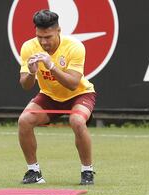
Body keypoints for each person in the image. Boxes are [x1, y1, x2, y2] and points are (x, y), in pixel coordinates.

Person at [17, 9, 96, 185]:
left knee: (76, 121)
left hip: (79, 94)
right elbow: (26, 85)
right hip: (49, 95)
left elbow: (73, 83)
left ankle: (87, 171)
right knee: (24, 121)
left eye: (48, 37)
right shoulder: (28, 47)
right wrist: (31, 73)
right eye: (40, 37)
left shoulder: (75, 46)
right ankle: (33, 172)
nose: (44, 42)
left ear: (58, 31)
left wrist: (51, 65)